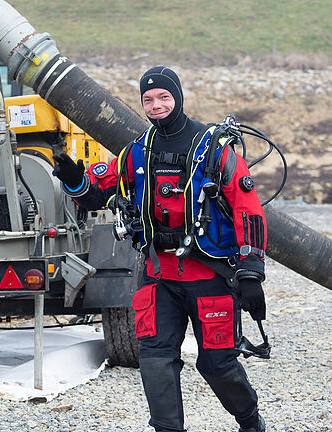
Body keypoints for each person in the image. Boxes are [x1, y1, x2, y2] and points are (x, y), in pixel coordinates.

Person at [52, 66, 268, 432]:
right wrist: (74, 179)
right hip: (158, 275)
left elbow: (248, 206)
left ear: (178, 98)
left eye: (163, 97)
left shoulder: (213, 149)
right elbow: (95, 192)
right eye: (148, 100)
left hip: (210, 276)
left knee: (217, 364)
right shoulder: (138, 151)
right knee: (154, 359)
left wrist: (251, 272)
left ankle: (250, 421)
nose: (156, 105)